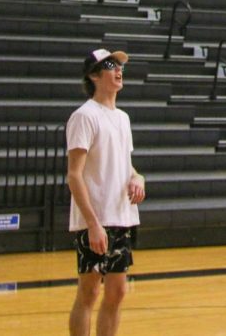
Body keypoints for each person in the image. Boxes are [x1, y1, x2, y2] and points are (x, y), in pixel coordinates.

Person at [67, 49, 146, 336]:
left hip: (121, 217)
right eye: (110, 65)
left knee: (117, 293)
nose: (118, 69)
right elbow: (74, 174)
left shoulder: (123, 118)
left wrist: (139, 177)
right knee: (88, 294)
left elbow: (126, 165)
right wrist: (92, 224)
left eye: (119, 65)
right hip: (96, 219)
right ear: (93, 75)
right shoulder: (84, 116)